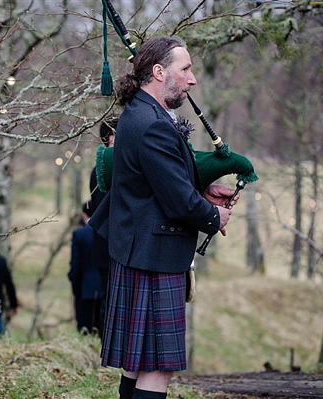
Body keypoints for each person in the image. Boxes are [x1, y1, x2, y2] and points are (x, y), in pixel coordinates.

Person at [89, 36, 237, 399]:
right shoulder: (152, 123)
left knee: (136, 363)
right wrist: (213, 216)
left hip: (140, 249)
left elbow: (157, 183)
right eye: (185, 69)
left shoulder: (140, 113)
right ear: (159, 72)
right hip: (152, 256)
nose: (193, 79)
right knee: (157, 367)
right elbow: (178, 204)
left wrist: (203, 191)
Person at [89, 118, 117, 341]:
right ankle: (106, 343)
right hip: (108, 242)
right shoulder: (105, 169)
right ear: (110, 137)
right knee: (110, 297)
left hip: (105, 242)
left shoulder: (99, 168)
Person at [68, 203, 102, 336]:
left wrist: (76, 288)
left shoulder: (79, 234)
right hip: (105, 289)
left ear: (83, 214)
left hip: (85, 290)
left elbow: (76, 265)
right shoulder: (107, 231)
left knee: (85, 331)